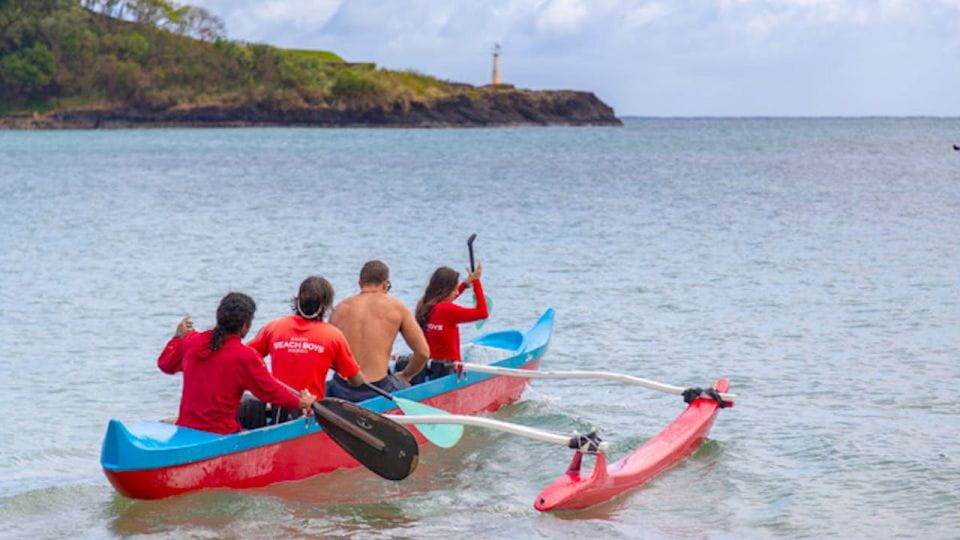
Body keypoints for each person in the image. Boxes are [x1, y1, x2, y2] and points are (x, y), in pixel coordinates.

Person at [157, 292, 315, 435]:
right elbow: (269, 391)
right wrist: (301, 402)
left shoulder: (191, 341)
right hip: (221, 433)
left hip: (186, 428)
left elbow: (165, 364)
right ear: (245, 326)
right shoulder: (245, 356)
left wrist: (177, 338)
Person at [247, 276, 364, 420]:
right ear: (326, 305)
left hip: (278, 410)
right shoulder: (333, 336)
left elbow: (245, 358)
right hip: (310, 412)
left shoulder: (274, 327)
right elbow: (356, 382)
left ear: (298, 301)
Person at [327, 260, 430, 401]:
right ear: (385, 284)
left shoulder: (339, 309)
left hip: (342, 389)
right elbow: (423, 353)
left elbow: (328, 356)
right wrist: (406, 375)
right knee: (405, 383)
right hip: (378, 389)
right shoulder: (397, 308)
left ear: (360, 283)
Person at [412, 262, 488, 380]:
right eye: (454, 290)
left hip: (428, 368)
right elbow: (483, 313)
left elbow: (443, 303)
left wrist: (466, 284)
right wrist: (477, 283)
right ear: (445, 291)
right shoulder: (447, 309)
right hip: (450, 371)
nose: (457, 292)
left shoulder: (423, 304)